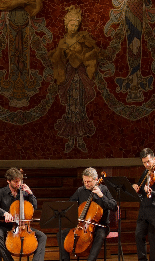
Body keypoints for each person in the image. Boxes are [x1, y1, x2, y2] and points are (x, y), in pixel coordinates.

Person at [49, 6, 99, 153]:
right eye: (71, 25)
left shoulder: (83, 38)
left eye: (76, 25)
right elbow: (57, 59)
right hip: (69, 77)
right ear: (66, 24)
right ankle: (71, 139)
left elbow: (92, 53)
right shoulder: (63, 41)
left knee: (80, 107)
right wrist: (61, 51)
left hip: (81, 76)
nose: (74, 28)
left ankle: (81, 138)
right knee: (71, 106)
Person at [0, 167, 49, 261]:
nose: (18, 183)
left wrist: (31, 194)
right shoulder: (1, 193)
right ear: (8, 181)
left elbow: (34, 207)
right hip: (6, 226)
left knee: (42, 236)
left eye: (19, 181)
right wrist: (4, 213)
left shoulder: (24, 193)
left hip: (23, 225)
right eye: (15, 181)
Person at [57, 167, 117, 261]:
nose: (86, 184)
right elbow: (71, 204)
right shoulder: (80, 191)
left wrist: (101, 196)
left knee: (100, 235)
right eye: (84, 181)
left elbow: (114, 206)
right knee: (61, 234)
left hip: (101, 225)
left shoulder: (104, 190)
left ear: (96, 180)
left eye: (89, 181)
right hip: (83, 224)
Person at [130, 148, 155, 261]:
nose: (147, 165)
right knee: (138, 235)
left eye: (149, 161)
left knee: (152, 237)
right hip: (144, 209)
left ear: (154, 159)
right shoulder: (145, 172)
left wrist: (152, 192)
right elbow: (140, 188)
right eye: (144, 162)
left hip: (154, 210)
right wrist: (136, 188)